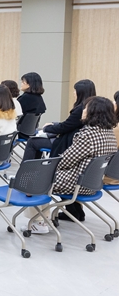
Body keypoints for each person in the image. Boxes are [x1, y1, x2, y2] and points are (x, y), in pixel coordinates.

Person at [25, 97, 118, 233]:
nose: (83, 110)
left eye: (86, 108)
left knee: (37, 178)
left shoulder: (87, 135)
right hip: (93, 183)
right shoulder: (109, 134)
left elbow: (64, 161)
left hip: (76, 184)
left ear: (94, 112)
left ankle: (38, 222)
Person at [22, 79, 96, 160]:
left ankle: (26, 171)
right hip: (76, 140)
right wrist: (54, 124)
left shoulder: (80, 109)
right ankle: (33, 170)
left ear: (81, 92)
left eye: (75, 91)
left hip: (69, 142)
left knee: (32, 142)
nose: (73, 93)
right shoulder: (93, 106)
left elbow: (64, 127)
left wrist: (47, 128)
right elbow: (70, 124)